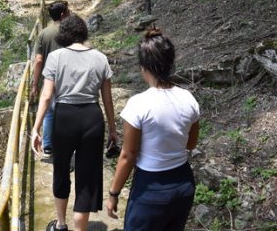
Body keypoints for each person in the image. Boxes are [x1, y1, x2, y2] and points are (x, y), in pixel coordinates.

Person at [106, 27, 200, 230]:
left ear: (144, 67)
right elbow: (191, 143)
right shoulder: (189, 99)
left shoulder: (138, 104)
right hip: (183, 184)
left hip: (150, 189)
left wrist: (113, 193)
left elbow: (128, 155)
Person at [31, 14, 118, 231]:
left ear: (64, 35)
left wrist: (36, 127)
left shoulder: (56, 57)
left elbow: (46, 96)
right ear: (83, 33)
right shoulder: (100, 58)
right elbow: (108, 99)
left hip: (64, 117)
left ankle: (61, 225)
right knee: (86, 174)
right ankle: (81, 228)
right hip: (92, 116)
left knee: (61, 170)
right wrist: (113, 130)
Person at [30, 0, 70, 156]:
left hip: (49, 79)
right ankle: (65, 144)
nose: (70, 13)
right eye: (68, 11)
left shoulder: (44, 33)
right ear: (62, 14)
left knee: (49, 112)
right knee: (66, 111)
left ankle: (47, 145)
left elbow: (38, 60)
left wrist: (35, 84)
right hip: (68, 78)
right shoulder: (69, 32)